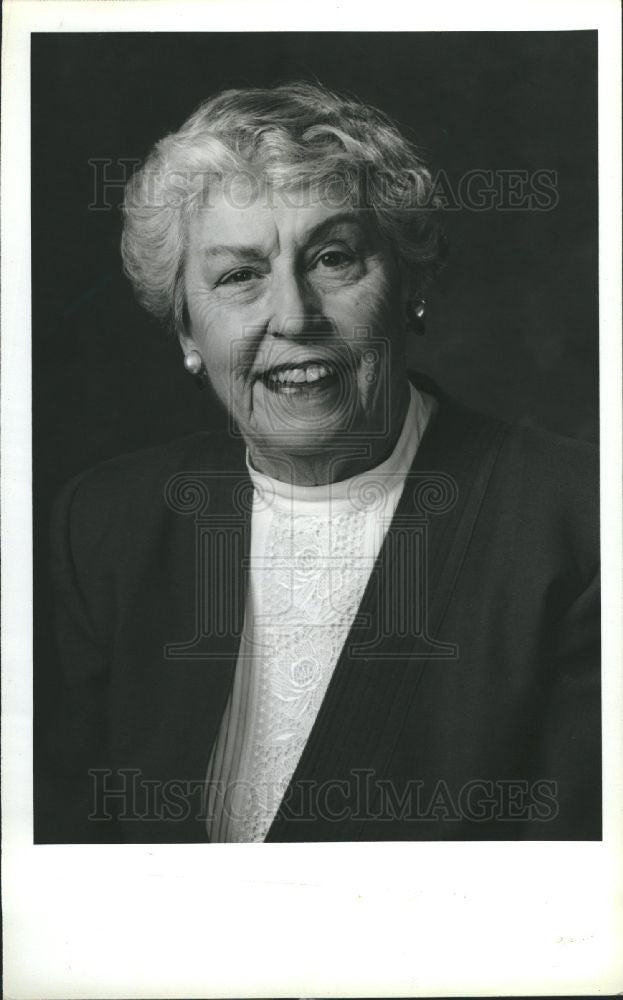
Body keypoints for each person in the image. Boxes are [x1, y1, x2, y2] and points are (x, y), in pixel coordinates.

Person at [43, 82, 600, 844]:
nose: (295, 317)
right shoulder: (106, 525)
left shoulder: (580, 520)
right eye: (239, 276)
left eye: (333, 258)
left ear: (410, 285)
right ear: (185, 330)